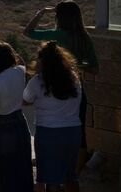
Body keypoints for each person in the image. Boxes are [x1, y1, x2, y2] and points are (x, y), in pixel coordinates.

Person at [24, 0, 98, 173]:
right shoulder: (84, 38)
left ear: (60, 17)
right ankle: (74, 174)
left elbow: (28, 32)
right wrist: (76, 65)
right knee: (81, 136)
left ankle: (53, 172)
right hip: (77, 89)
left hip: (54, 87)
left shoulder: (58, 35)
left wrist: (41, 13)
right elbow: (95, 68)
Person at [23, 42, 83, 192]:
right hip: (73, 131)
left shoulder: (37, 81)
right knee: (71, 176)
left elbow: (25, 100)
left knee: (51, 179)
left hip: (49, 133)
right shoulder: (73, 78)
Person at [0, 42, 33, 192]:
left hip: (3, 129)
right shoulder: (20, 71)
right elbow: (22, 62)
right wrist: (14, 53)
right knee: (23, 169)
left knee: (6, 173)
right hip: (20, 123)